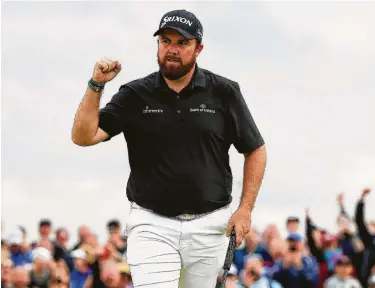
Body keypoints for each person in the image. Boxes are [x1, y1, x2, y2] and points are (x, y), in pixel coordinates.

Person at [72, 8, 267, 288]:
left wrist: (245, 209)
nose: (172, 50)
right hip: (152, 224)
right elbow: (84, 136)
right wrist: (96, 85)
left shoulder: (224, 92)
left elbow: (255, 149)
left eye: (182, 43)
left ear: (198, 49)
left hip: (211, 225)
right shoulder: (135, 94)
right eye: (166, 41)